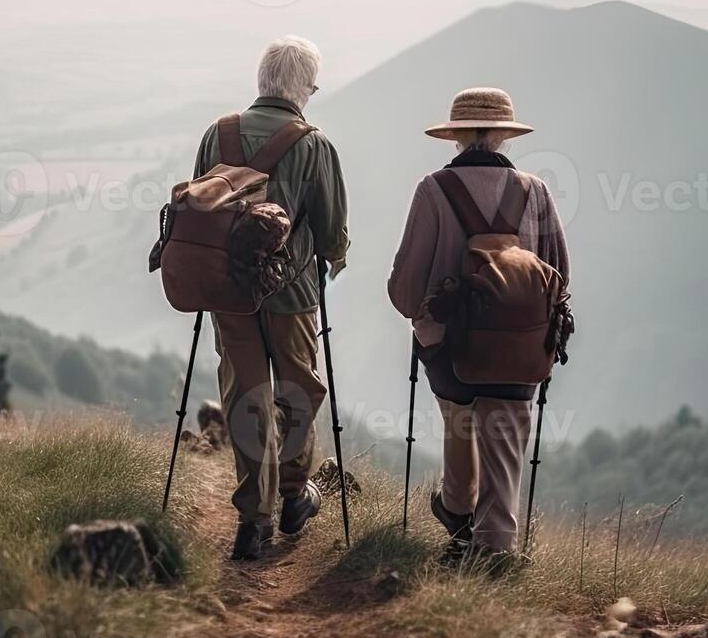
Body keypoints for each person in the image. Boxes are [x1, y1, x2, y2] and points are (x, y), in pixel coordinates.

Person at [387, 87, 570, 562]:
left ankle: (457, 509)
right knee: (506, 430)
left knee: (460, 416)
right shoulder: (537, 192)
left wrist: (419, 313)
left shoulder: (433, 190)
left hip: (449, 344)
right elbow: (559, 275)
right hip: (521, 344)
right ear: (505, 137)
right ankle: (495, 545)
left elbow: (407, 289)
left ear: (457, 137)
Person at [193, 37, 350, 560]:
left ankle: (252, 522)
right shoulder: (314, 144)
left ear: (263, 81)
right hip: (292, 292)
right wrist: (336, 258)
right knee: (297, 389)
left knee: (245, 396)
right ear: (304, 87)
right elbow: (331, 230)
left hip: (226, 291)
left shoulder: (218, 134)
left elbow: (199, 207)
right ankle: (294, 496)